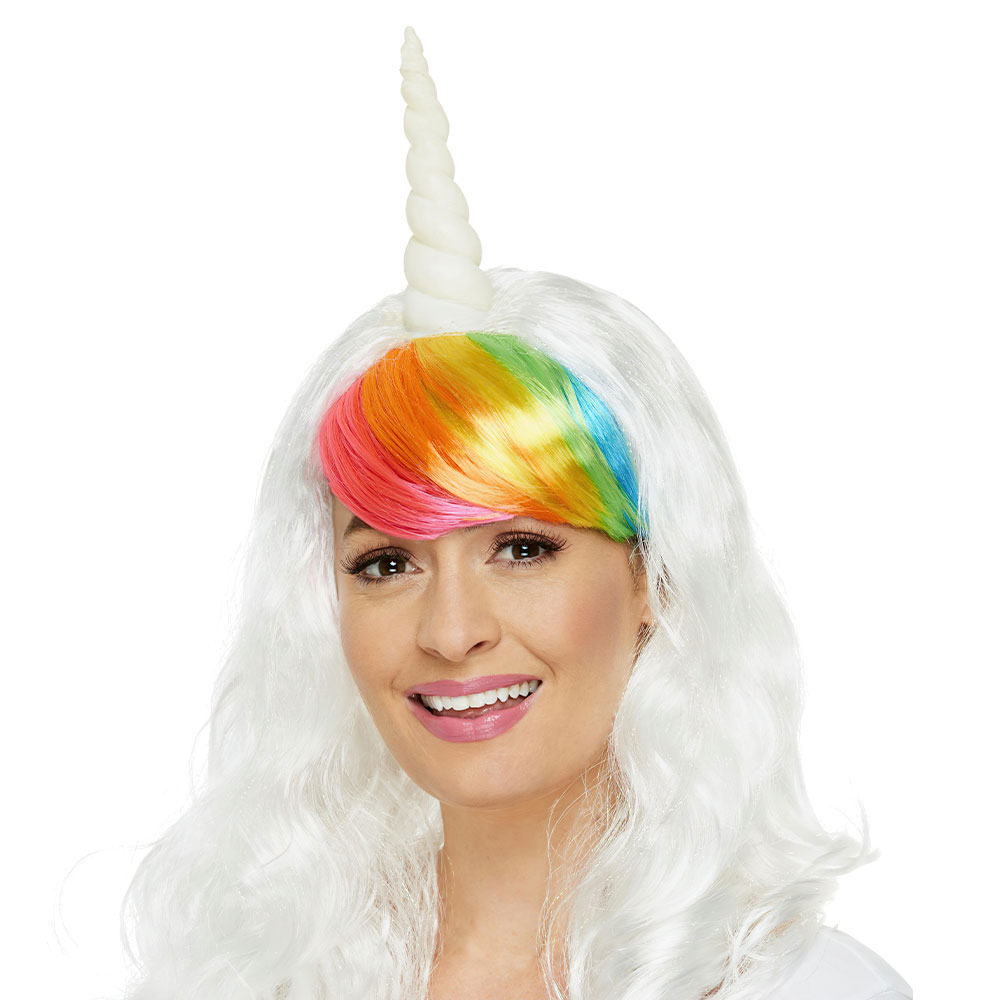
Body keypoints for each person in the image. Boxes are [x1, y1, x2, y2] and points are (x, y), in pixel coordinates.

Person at [121, 28, 912, 1000]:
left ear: (654, 576)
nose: (451, 631)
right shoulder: (255, 976)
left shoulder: (799, 988)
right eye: (386, 563)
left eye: (523, 547)